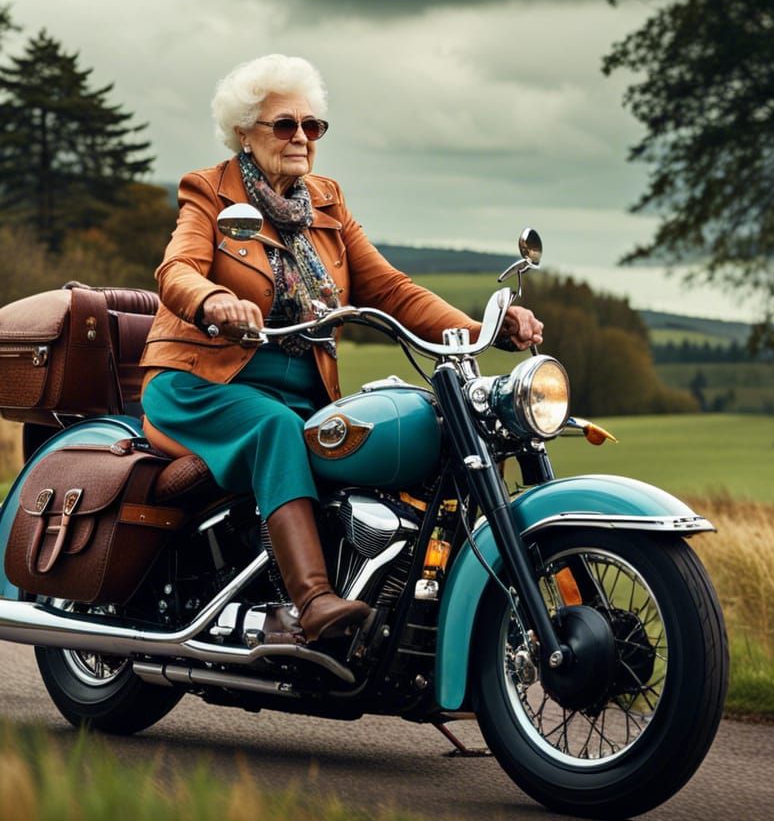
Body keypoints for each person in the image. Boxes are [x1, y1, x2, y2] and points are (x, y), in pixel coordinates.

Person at [140, 54, 543, 643]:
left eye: (312, 126)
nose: (301, 137)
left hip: (301, 387)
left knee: (392, 435)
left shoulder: (325, 202)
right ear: (245, 134)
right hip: (204, 380)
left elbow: (392, 290)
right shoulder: (210, 192)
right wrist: (210, 302)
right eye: (284, 125)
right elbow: (177, 269)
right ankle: (312, 601)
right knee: (275, 429)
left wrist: (488, 326)